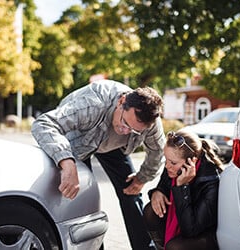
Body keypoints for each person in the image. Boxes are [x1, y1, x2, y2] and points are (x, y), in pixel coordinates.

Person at [31, 79, 166, 250]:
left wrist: (142, 178)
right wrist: (66, 161)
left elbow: (157, 151)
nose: (126, 131)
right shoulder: (91, 104)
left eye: (134, 130)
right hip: (80, 141)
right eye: (125, 123)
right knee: (82, 197)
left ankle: (145, 247)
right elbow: (43, 123)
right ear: (121, 101)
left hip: (115, 147)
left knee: (131, 192)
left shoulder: (150, 122)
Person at [143, 129, 224, 250]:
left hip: (206, 233)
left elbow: (190, 229)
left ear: (192, 161)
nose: (167, 166)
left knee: (174, 247)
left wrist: (182, 186)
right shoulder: (174, 167)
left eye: (173, 163)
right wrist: (157, 192)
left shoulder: (210, 181)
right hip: (184, 221)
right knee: (151, 210)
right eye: (166, 160)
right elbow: (163, 186)